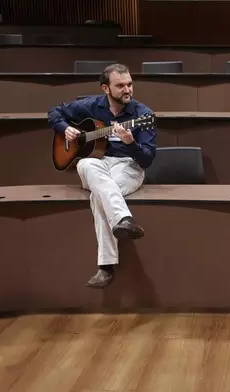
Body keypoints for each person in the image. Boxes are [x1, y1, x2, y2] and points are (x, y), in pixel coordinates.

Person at [48, 63, 158, 289]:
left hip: (128, 166)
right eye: (120, 86)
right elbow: (54, 111)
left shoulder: (143, 115)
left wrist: (131, 143)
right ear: (106, 89)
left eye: (129, 84)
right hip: (98, 164)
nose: (127, 89)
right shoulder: (92, 106)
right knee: (87, 163)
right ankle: (122, 220)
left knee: (100, 194)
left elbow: (147, 159)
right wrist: (63, 128)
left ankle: (105, 267)